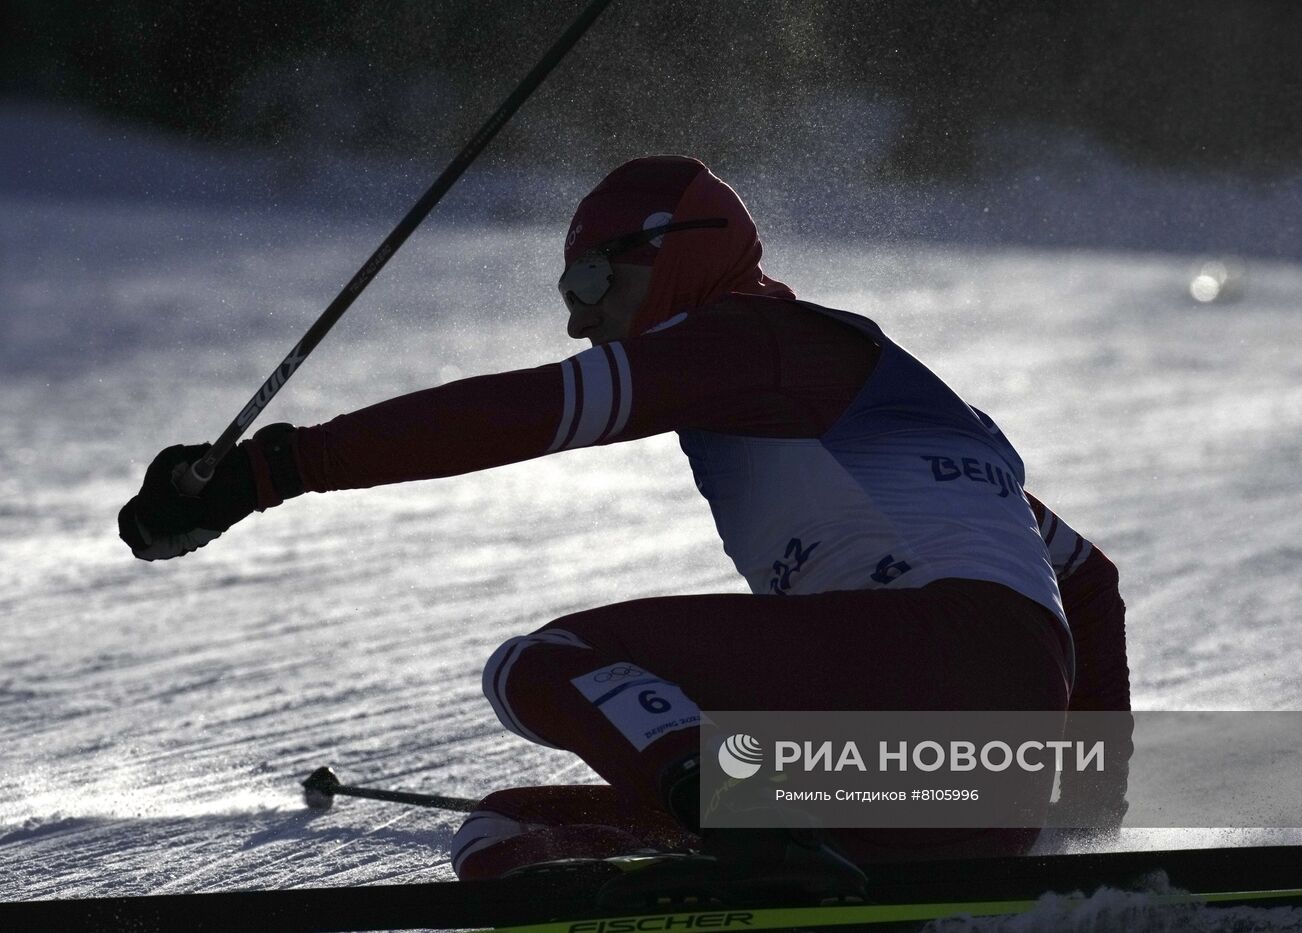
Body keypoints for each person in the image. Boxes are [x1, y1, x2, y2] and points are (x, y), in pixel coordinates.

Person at [118, 156, 1130, 886]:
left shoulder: (753, 340)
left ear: (673, 254)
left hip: (919, 678)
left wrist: (268, 471)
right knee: (503, 839)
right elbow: (1084, 582)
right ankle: (766, 856)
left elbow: (520, 413)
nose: (576, 314)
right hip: (965, 788)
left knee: (538, 664)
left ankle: (745, 828)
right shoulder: (860, 394)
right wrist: (1078, 821)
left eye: (591, 279)